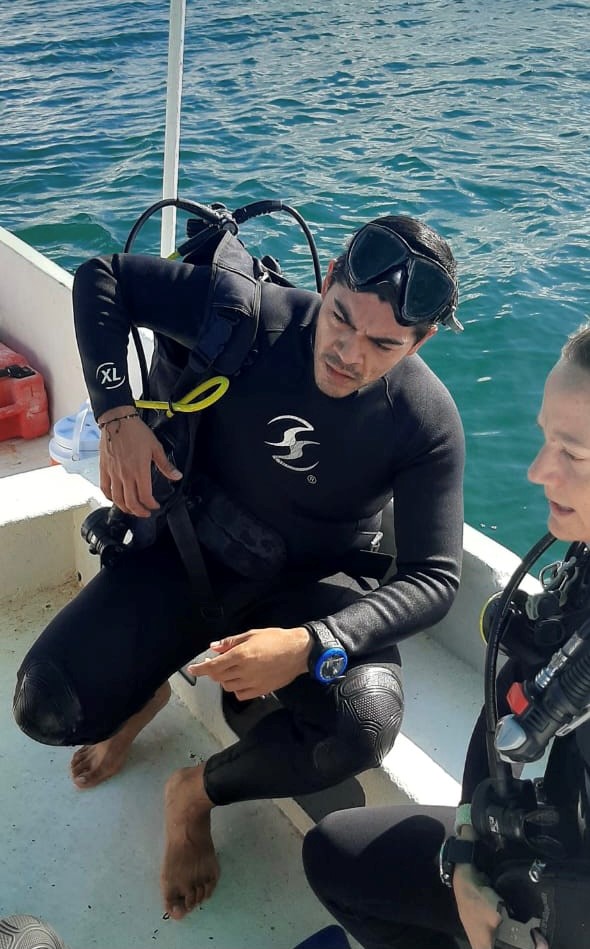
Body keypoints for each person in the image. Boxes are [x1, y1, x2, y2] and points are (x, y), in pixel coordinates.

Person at [13, 213, 465, 920]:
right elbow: (102, 278)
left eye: (383, 344)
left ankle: (193, 795)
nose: (349, 352)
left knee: (362, 726)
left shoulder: (425, 420)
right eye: (341, 318)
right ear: (328, 278)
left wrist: (311, 644)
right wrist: (115, 417)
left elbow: (435, 575)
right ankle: (145, 694)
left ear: (421, 341)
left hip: (298, 596)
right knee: (45, 705)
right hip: (185, 554)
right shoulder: (256, 316)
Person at [302, 323, 590, 949]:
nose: (540, 471)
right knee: (333, 854)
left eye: (573, 455)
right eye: (546, 440)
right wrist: (465, 855)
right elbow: (502, 706)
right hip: (540, 859)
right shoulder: (584, 573)